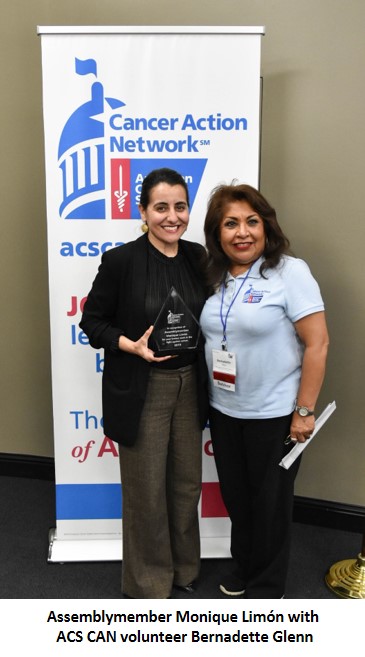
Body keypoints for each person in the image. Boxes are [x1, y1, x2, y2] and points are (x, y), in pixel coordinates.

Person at [80, 168, 208, 598]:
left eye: (180, 206)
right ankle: (149, 584)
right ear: (143, 211)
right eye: (161, 208)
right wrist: (129, 346)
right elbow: (92, 321)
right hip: (143, 386)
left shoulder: (199, 259)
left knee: (187, 484)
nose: (172, 217)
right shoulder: (121, 261)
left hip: (191, 386)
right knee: (146, 490)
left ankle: (184, 570)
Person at [200, 183, 329, 599]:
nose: (242, 232)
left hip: (274, 414)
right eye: (230, 223)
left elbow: (318, 343)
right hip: (224, 409)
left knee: (270, 508)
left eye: (252, 222)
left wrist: (304, 411)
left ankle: (267, 585)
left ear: (266, 226)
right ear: (217, 233)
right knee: (238, 500)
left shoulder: (290, 272)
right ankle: (244, 564)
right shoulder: (215, 276)